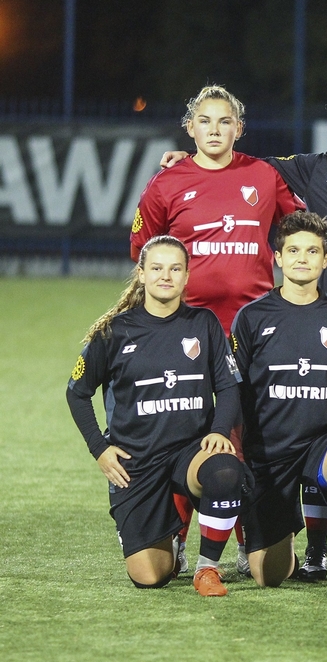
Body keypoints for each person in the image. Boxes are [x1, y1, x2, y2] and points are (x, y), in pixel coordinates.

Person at [163, 70, 327, 581]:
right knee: (315, 427)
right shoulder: (313, 169)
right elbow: (245, 166)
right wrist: (192, 163)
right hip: (317, 324)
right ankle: (311, 550)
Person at [133, 85, 304, 574]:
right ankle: (176, 536)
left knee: (253, 430)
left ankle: (253, 529)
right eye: (205, 121)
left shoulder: (263, 174)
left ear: (239, 128)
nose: (214, 129)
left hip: (256, 332)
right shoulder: (166, 183)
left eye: (224, 121)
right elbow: (143, 251)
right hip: (186, 332)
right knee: (184, 431)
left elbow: (302, 230)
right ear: (190, 129)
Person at [66, 235, 245, 596]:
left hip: (189, 451)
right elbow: (77, 392)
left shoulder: (204, 323)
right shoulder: (114, 332)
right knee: (150, 576)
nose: (166, 276)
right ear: (142, 274)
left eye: (175, 268)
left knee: (225, 469)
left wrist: (220, 429)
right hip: (137, 461)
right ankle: (170, 545)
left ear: (187, 276)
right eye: (158, 268)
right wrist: (100, 449)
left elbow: (229, 386)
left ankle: (207, 568)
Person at [230, 211, 327, 598]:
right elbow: (234, 389)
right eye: (292, 250)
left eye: (312, 251)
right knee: (269, 575)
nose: (301, 258)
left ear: (326, 259)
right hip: (268, 455)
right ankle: (286, 531)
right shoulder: (251, 317)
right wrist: (237, 447)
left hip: (319, 447)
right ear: (277, 258)